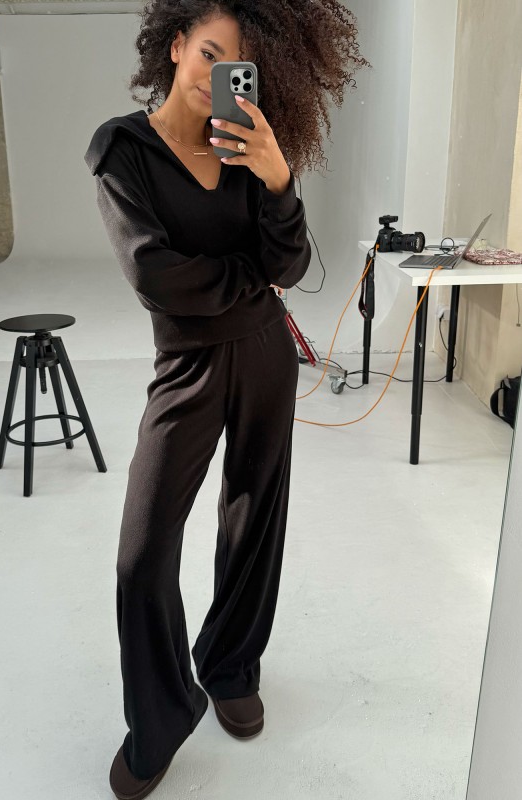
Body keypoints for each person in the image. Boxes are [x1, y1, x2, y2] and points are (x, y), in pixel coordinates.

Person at [84, 2, 368, 797]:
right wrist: (255, 282)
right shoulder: (123, 149)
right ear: (176, 46)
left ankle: (232, 665)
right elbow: (157, 276)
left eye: (234, 63)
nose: (216, 73)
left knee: (254, 515)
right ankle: (162, 715)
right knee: (143, 554)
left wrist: (278, 178)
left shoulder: (248, 146)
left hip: (267, 357)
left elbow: (292, 261)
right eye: (208, 52)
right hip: (187, 364)